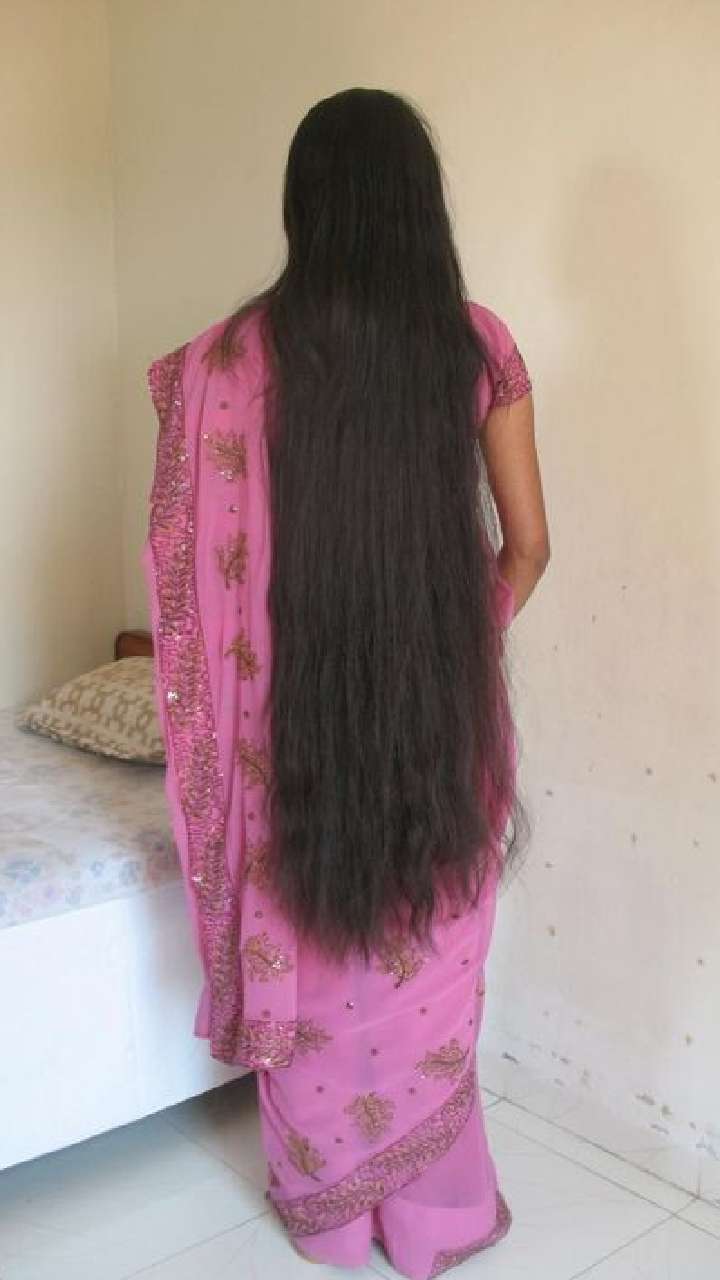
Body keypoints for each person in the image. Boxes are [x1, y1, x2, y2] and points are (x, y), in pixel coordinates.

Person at [143, 87, 550, 1279]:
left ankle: (326, 1218)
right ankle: (433, 1217)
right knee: (426, 949)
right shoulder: (475, 345)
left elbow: (193, 580)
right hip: (441, 721)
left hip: (288, 735)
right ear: (421, 206)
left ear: (305, 207)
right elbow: (528, 545)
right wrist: (448, 644)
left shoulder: (222, 362)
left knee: (315, 956)